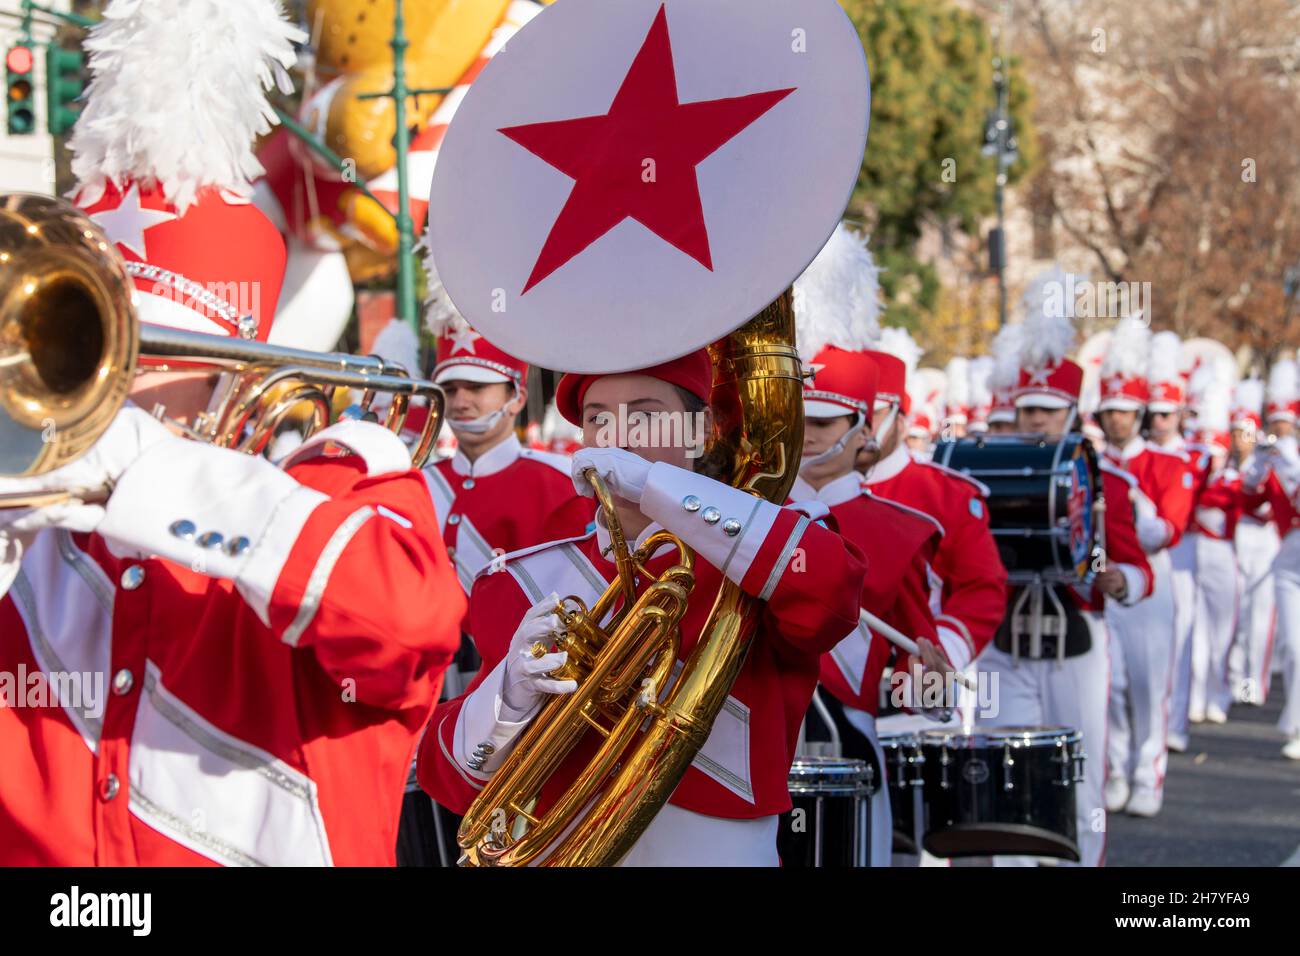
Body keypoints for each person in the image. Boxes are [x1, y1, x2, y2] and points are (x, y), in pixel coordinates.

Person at [0, 0, 464, 865]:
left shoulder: (343, 479)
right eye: (86, 347)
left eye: (131, 348)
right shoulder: (33, 514)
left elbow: (408, 632)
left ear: (229, 371)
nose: (115, 381)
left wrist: (139, 463)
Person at [417, 349, 869, 865]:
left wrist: (660, 490)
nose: (617, 436)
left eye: (647, 415)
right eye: (598, 419)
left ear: (698, 432)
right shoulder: (523, 581)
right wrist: (507, 701)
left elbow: (832, 594)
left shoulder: (763, 550)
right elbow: (449, 781)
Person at [976, 270, 1153, 867]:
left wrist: (1120, 579)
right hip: (1003, 643)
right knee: (1008, 778)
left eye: (1049, 412)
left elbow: (1136, 564)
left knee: (1079, 779)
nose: (1035, 422)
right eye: (1028, 410)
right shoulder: (980, 480)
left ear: (1072, 414)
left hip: (1076, 644)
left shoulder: (1110, 483)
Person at [794, 345, 947, 867]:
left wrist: (933, 685)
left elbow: (916, 663)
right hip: (749, 749)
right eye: (799, 417)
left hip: (851, 748)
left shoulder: (899, 530)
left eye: (824, 421)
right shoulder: (743, 513)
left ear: (863, 430)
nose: (808, 432)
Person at [1097, 316, 1193, 818]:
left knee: (1150, 685)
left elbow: (1166, 533)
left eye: (1126, 411)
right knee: (1109, 688)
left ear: (1139, 413)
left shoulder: (1169, 465)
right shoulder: (1089, 463)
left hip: (1155, 584)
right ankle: (1115, 770)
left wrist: (1135, 504)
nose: (1117, 420)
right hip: (1104, 580)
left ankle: (1147, 774)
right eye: (1109, 410)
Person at [1241, 357, 1300, 760]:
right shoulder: (1275, 459)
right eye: (1275, 422)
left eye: (1286, 423)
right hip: (1289, 551)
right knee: (1294, 645)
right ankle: (1296, 723)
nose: (1280, 429)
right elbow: (1249, 498)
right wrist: (1260, 462)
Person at [1145, 333, 1197, 753]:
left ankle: (1175, 724)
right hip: (1141, 564)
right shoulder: (1137, 456)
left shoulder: (1190, 456)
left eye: (1166, 413)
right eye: (1154, 412)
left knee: (1179, 642)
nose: (1159, 421)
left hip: (1183, 555)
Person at [1229, 379, 1278, 706]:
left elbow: (1264, 506)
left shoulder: (1271, 461)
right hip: (1236, 541)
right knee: (1237, 614)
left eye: (1246, 433)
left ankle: (1254, 683)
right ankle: (1234, 679)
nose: (1240, 440)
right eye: (1236, 433)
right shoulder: (1227, 464)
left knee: (1260, 616)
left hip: (1265, 541)